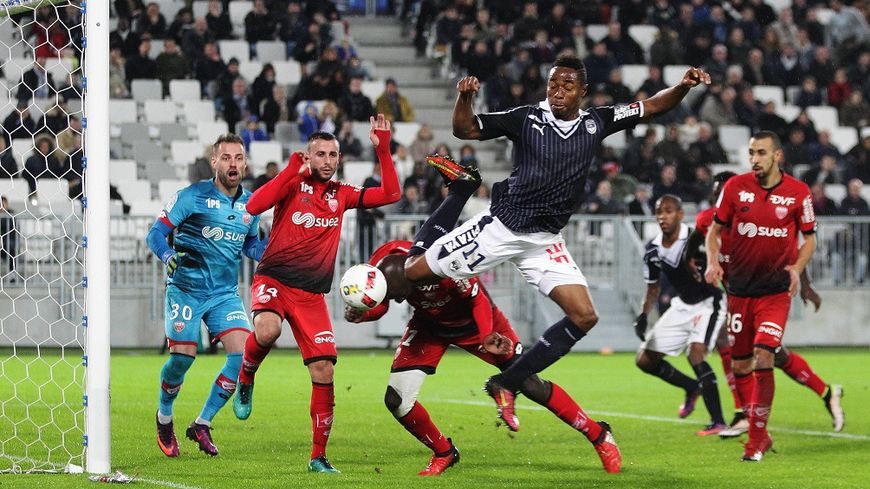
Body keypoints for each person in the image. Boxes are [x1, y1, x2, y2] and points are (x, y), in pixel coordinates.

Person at [401, 53, 710, 454]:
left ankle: (506, 383)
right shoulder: (527, 118)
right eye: (552, 84)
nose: (557, 92)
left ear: (583, 91)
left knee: (584, 316)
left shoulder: (597, 121)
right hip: (500, 229)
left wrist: (683, 87)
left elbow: (651, 106)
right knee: (413, 271)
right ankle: (455, 199)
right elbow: (466, 129)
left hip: (545, 240)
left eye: (567, 86)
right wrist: (465, 98)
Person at [346, 240, 620, 476]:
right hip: (429, 325)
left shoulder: (441, 260)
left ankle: (598, 434)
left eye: (403, 295)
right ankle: (444, 452)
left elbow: (477, 300)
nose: (400, 300)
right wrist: (363, 313)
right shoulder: (380, 266)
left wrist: (487, 335)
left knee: (529, 384)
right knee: (396, 399)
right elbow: (380, 304)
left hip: (478, 323)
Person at [233, 115, 400, 474]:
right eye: (320, 154)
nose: (327, 160)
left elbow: (391, 194)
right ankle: (246, 375)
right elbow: (254, 205)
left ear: (339, 158)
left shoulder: (342, 194)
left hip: (311, 296)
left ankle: (318, 457)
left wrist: (383, 150)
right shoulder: (293, 183)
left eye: (332, 154)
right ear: (308, 156)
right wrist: (289, 171)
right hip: (274, 280)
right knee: (267, 330)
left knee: (324, 370)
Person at [692, 171, 844, 438]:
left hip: (766, 297)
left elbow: (788, 252)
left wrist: (806, 285)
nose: (721, 202)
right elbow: (693, 245)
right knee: (769, 355)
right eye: (717, 196)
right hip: (737, 298)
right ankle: (826, 392)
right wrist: (697, 266)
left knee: (758, 353)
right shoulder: (707, 222)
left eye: (724, 195)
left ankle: (748, 418)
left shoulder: (754, 221)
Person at [145, 134, 266, 458]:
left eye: (238, 158)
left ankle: (202, 423)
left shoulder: (251, 204)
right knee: (182, 359)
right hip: (186, 289)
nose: (233, 164)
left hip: (224, 293)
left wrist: (272, 252)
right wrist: (168, 254)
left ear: (245, 163)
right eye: (226, 158)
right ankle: (164, 417)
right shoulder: (192, 196)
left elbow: (251, 245)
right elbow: (155, 233)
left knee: (243, 355)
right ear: (214, 162)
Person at [704, 131, 820, 462]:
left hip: (775, 293)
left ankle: (756, 440)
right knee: (740, 364)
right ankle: (760, 433)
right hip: (739, 292)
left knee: (764, 354)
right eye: (751, 153)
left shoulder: (799, 193)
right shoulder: (735, 187)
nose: (754, 159)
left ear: (777, 156)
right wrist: (713, 261)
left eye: (761, 153)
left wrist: (797, 267)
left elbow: (810, 238)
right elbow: (714, 231)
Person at [633, 195, 728, 436]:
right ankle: (691, 387)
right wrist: (643, 315)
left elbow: (723, 262)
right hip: (682, 305)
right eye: (659, 212)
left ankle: (718, 421)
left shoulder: (697, 239)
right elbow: (653, 287)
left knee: (695, 354)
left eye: (668, 211)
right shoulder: (653, 249)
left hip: (709, 303)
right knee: (644, 359)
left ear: (680, 214)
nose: (662, 216)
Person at [0, 196, 17, 277]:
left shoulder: (11, 214)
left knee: (11, 248)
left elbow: (10, 227)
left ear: (6, 204)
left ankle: (12, 274)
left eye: (2, 205)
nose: (1, 207)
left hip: (8, 242)